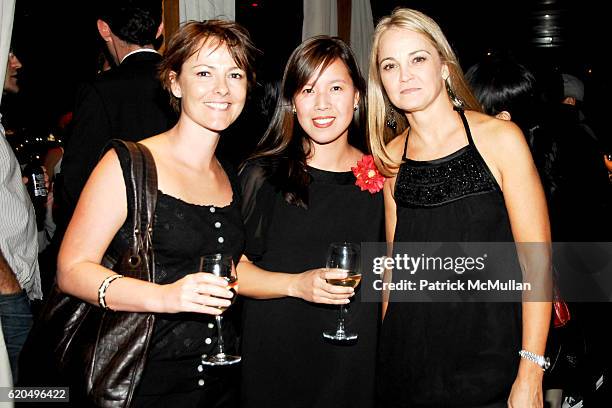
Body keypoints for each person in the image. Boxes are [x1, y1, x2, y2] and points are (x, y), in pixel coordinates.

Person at [53, 20, 257, 407]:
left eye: (235, 74)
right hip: (141, 380)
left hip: (219, 380)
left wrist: (299, 283)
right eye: (203, 72)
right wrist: (165, 297)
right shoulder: (127, 163)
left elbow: (233, 266)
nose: (222, 89)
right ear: (175, 83)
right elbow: (71, 270)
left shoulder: (228, 172)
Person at [367, 8, 551, 407]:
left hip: (492, 364)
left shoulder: (500, 140)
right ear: (380, 81)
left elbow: (536, 263)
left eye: (418, 59)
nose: (405, 75)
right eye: (390, 65)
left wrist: (531, 372)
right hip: (407, 366)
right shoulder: (391, 160)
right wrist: (386, 347)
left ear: (444, 67)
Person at [237, 36, 384, 408]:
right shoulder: (264, 175)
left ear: (357, 96)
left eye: (336, 87)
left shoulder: (384, 176)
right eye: (307, 89)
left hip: (358, 363)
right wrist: (296, 284)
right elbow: (231, 272)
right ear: (292, 102)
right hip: (279, 361)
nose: (322, 104)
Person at [59, 0, 176, 224]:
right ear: (160, 28)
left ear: (104, 29)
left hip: (126, 230)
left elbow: (77, 181)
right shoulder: (184, 80)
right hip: (184, 222)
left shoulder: (100, 90)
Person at [0, 50, 42, 382]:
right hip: (6, 294)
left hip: (15, 289)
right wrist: (9, 287)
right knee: (26, 392)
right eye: (9, 54)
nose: (17, 63)